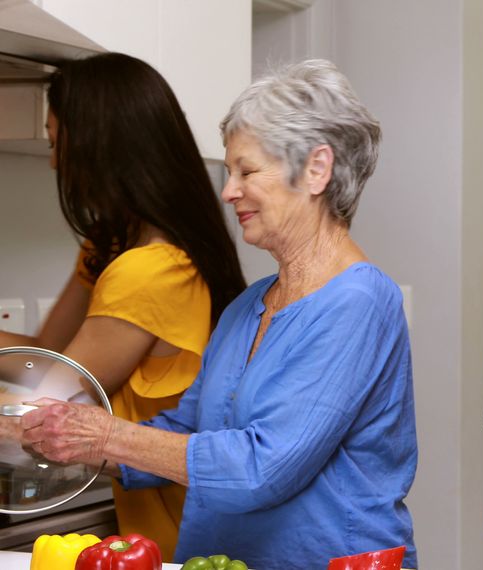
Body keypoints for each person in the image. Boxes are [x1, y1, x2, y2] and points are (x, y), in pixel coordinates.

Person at [19, 59, 419, 570]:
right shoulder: (246, 308)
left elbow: (261, 467)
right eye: (230, 172)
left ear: (317, 169)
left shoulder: (358, 303)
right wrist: (77, 441)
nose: (229, 191)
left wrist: (106, 435)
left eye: (247, 171)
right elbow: (186, 435)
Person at [0, 52, 246, 560]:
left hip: (183, 533)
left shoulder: (149, 271)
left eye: (55, 142)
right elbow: (50, 352)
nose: (52, 162)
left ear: (96, 145)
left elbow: (54, 406)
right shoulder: (116, 247)